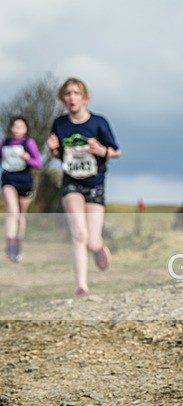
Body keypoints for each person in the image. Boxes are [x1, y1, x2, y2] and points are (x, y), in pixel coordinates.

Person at [46, 78, 121, 297]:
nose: (71, 98)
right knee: (78, 233)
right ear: (63, 99)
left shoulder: (98, 123)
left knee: (91, 239)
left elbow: (116, 151)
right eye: (67, 94)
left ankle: (98, 247)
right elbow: (62, 154)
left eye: (75, 93)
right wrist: (53, 151)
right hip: (72, 182)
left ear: (85, 98)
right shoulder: (59, 124)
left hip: (95, 184)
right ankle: (82, 286)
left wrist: (101, 150)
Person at [1, 116, 43, 262]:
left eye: (21, 126)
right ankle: (10, 247)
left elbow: (38, 163)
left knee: (20, 216)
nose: (17, 129)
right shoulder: (4, 143)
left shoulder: (28, 143)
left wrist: (27, 158)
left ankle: (18, 249)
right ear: (11, 128)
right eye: (15, 126)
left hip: (25, 181)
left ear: (26, 129)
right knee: (12, 211)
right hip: (8, 180)